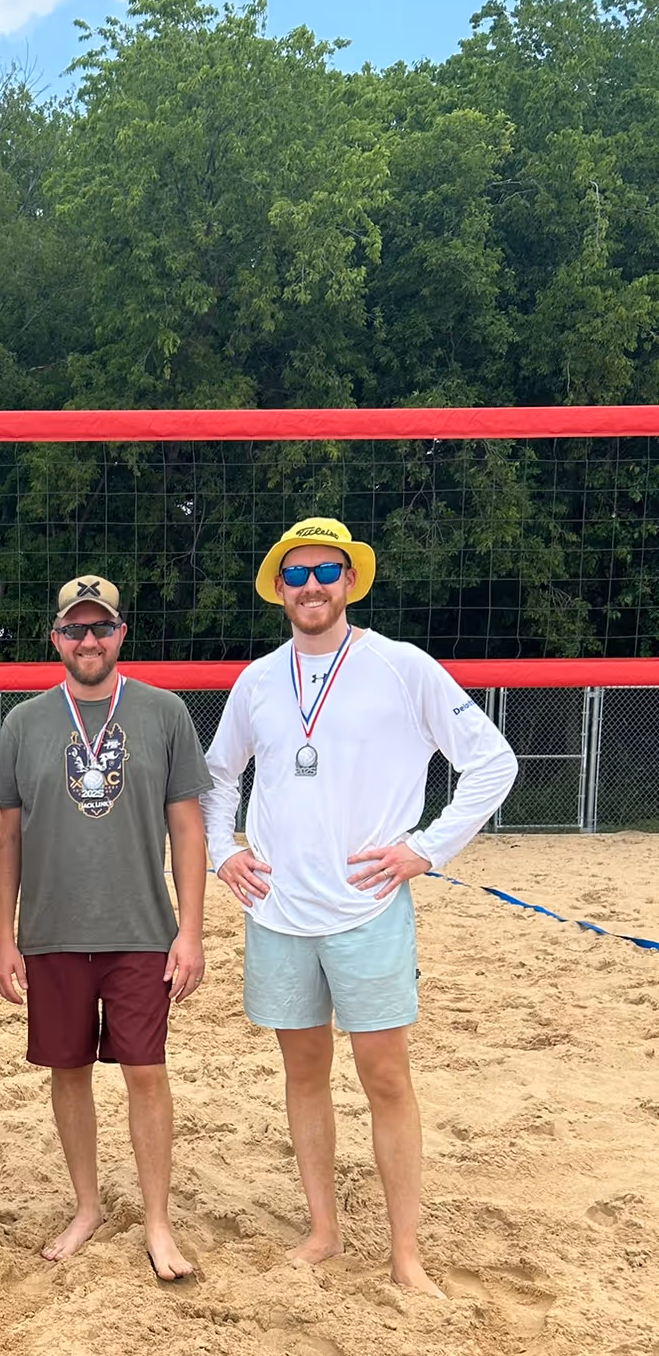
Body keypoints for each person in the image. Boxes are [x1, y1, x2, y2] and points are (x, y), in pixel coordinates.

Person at [202, 517, 517, 1295]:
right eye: (297, 574)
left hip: (368, 905)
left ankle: (405, 1251)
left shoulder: (400, 666)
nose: (312, 587)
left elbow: (492, 762)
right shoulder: (259, 680)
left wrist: (427, 849)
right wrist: (223, 852)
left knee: (384, 1076)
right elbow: (218, 776)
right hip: (277, 907)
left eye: (326, 572)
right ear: (280, 588)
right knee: (302, 1071)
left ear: (350, 581)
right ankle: (324, 1231)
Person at [0, 575, 212, 1277]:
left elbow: (187, 826)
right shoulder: (23, 722)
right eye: (75, 629)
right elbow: (7, 838)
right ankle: (86, 1204)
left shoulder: (165, 712)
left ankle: (156, 1222)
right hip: (52, 930)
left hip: (142, 928)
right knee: (69, 1070)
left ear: (122, 634)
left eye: (101, 628)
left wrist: (192, 931)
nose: (89, 640)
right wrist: (2, 938)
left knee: (147, 1072)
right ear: (55, 638)